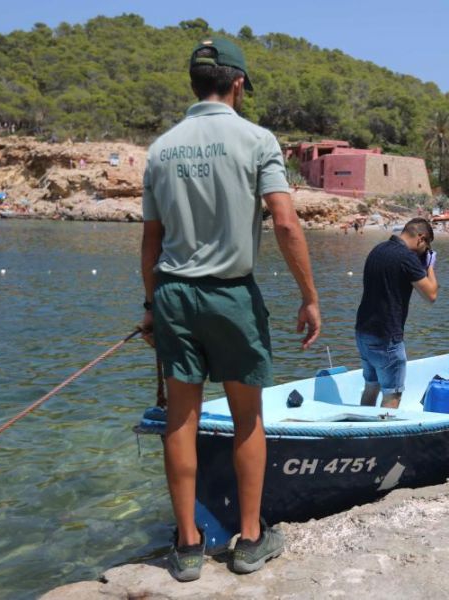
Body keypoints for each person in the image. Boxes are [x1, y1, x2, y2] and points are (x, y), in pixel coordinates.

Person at [140, 36, 321, 582]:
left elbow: (151, 240)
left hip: (173, 294)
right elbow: (284, 221)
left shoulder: (161, 149)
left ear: (195, 83)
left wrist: (150, 306)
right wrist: (309, 296)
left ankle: (188, 547)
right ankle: (248, 541)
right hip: (232, 295)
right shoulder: (257, 140)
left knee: (181, 421)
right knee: (247, 419)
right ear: (237, 83)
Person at [355, 218, 438, 409]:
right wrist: (429, 267)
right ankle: (383, 430)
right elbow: (431, 295)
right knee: (393, 395)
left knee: (371, 387)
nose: (424, 252)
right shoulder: (406, 258)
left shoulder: (378, 250)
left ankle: (361, 426)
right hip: (386, 338)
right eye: (426, 247)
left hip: (363, 332)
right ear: (421, 238)